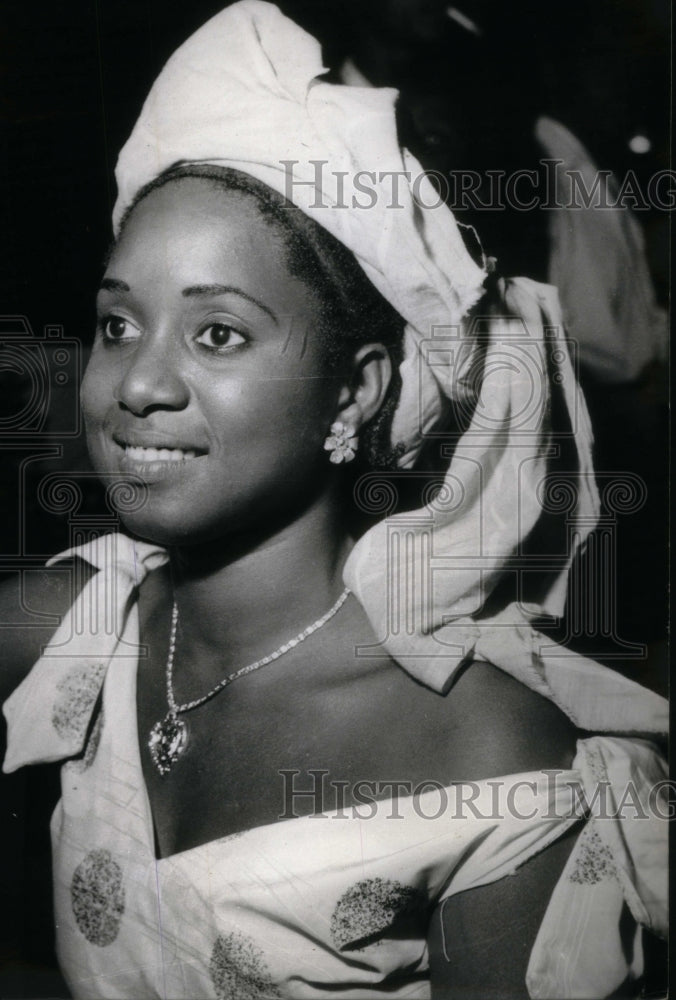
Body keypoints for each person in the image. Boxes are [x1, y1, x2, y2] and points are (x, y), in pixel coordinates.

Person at [0, 3, 667, 998]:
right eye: (115, 323)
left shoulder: (492, 756)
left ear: (354, 391)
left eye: (217, 332)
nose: (136, 383)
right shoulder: (71, 626)